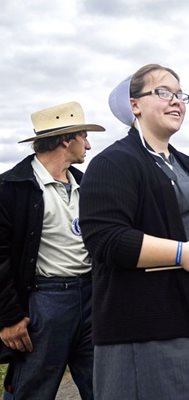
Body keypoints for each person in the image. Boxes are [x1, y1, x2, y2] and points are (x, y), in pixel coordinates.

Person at [79, 64, 189, 399]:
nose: (176, 101)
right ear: (134, 104)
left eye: (181, 95)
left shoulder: (188, 163)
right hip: (148, 321)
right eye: (163, 92)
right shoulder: (114, 162)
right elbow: (105, 240)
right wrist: (181, 253)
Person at [0, 102, 103, 399]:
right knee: (31, 388)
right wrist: (8, 317)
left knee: (103, 384)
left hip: (91, 296)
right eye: (83, 136)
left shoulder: (86, 184)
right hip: (46, 300)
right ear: (65, 139)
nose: (89, 144)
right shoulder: (12, 188)